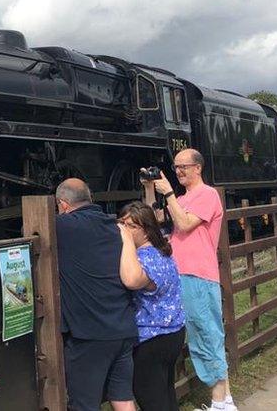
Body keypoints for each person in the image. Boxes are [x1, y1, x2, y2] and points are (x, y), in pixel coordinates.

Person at [146, 149, 236, 411]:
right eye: (176, 168)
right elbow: (156, 221)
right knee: (199, 334)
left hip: (198, 274)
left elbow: (184, 225)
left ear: (198, 168)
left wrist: (169, 194)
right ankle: (225, 401)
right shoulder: (184, 198)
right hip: (181, 273)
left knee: (206, 333)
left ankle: (220, 402)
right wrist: (151, 189)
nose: (179, 171)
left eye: (184, 166)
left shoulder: (207, 195)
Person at [55, 178, 138, 411]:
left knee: (84, 404)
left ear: (62, 205)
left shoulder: (63, 227)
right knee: (123, 398)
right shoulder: (115, 226)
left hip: (90, 334)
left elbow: (32, 231)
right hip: (122, 328)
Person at [117, 201, 186, 411]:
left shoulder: (145, 258)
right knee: (165, 395)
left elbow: (131, 280)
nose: (125, 230)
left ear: (146, 230)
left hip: (152, 339)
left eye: (131, 226)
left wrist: (126, 241)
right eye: (122, 224)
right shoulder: (161, 251)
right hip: (173, 333)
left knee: (152, 399)